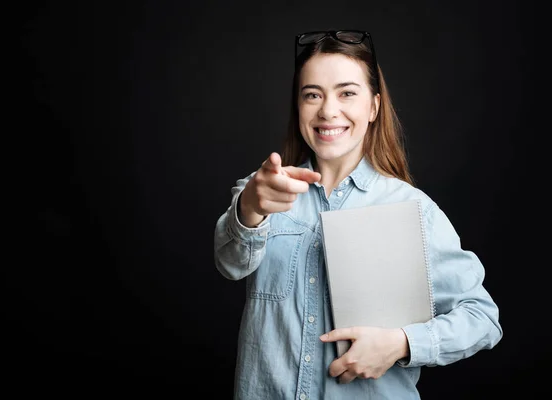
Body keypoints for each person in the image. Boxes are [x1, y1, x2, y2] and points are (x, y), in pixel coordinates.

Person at [213, 29, 503, 400]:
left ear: (373, 107)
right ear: (298, 107)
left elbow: (482, 318)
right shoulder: (263, 191)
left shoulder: (413, 209)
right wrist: (250, 208)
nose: (328, 110)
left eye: (347, 93)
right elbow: (229, 263)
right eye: (312, 95)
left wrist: (401, 343)